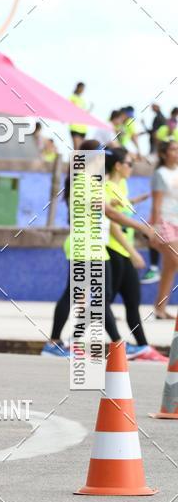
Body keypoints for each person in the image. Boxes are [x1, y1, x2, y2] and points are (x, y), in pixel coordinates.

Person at [41, 139, 157, 358]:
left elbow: (107, 207)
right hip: (84, 245)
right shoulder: (83, 181)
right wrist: (141, 226)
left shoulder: (91, 182)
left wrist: (125, 203)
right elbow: (109, 213)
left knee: (94, 296)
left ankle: (66, 343)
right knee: (82, 295)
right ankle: (60, 343)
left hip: (94, 246)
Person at [105, 147, 164, 360]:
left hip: (124, 250)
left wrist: (138, 200)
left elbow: (122, 208)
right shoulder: (107, 187)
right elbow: (113, 224)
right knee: (104, 302)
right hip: (113, 250)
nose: (132, 167)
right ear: (118, 166)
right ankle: (75, 338)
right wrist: (133, 252)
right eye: (129, 164)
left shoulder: (122, 185)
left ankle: (143, 347)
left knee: (132, 299)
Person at [151, 139, 178, 319]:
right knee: (176, 260)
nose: (176, 152)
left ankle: (160, 308)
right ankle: (160, 308)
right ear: (163, 154)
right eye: (173, 149)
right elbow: (156, 204)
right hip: (165, 221)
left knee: (170, 267)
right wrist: (153, 228)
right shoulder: (160, 174)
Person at [68, 82, 88, 149]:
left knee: (81, 149)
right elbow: (69, 110)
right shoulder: (72, 97)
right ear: (78, 87)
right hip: (75, 127)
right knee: (76, 148)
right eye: (81, 88)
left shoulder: (82, 100)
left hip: (83, 128)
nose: (82, 90)